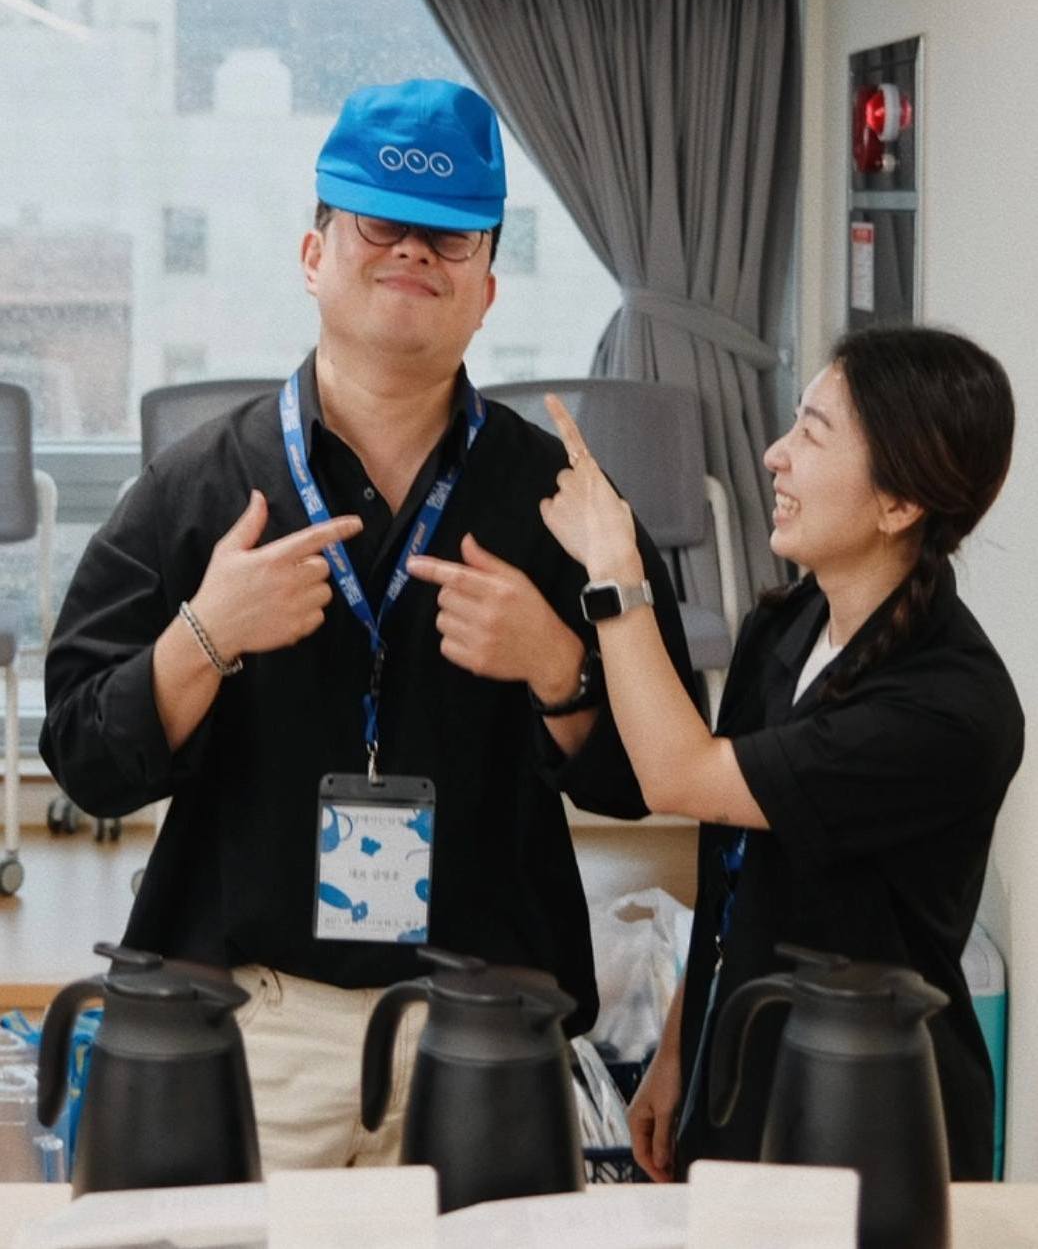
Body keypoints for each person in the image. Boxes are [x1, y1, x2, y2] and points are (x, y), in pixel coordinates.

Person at [41, 77, 697, 1173]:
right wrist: (205, 633)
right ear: (313, 255)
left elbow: (655, 778)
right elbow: (79, 751)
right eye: (379, 225)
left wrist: (560, 667)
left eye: (449, 237)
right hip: (257, 1023)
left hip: (485, 1027)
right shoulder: (204, 486)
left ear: (487, 289)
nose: (414, 252)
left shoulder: (565, 501)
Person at [538, 324, 1022, 1185]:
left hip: (873, 1118)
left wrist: (615, 569)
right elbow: (732, 869)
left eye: (813, 433)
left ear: (899, 504)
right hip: (744, 1075)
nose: (774, 454)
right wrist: (682, 1049)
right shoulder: (786, 625)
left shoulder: (950, 709)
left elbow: (679, 775)